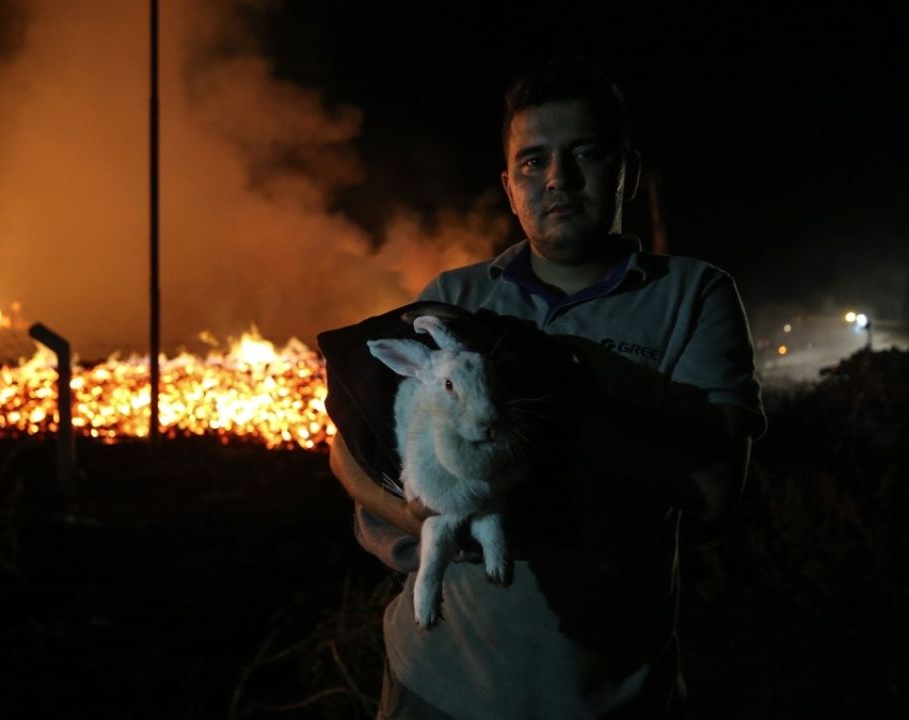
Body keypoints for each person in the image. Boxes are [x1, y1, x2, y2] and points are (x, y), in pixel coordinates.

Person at [327, 56, 766, 719]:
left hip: (605, 693)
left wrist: (558, 405)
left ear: (628, 171)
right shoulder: (454, 300)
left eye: (585, 154)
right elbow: (349, 450)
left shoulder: (691, 295)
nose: (558, 179)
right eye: (533, 162)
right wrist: (415, 516)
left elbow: (713, 489)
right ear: (509, 186)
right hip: (437, 682)